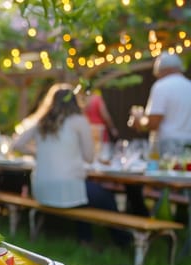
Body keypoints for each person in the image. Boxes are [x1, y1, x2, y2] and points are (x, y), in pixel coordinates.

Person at [12, 83, 128, 245]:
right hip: (67, 188)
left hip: (41, 189)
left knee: (84, 193)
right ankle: (122, 241)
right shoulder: (79, 121)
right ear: (74, 101)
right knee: (105, 198)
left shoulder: (41, 122)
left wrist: (39, 153)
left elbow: (16, 145)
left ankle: (85, 239)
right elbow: (89, 157)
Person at [128, 52, 191, 153]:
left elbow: (153, 123)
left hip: (168, 147)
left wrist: (139, 118)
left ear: (164, 70)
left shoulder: (161, 86)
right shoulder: (189, 86)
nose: (158, 76)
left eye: (158, 73)